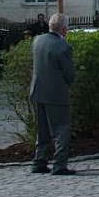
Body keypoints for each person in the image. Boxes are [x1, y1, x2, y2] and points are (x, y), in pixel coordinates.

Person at [29, 13, 76, 175]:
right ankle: (59, 164)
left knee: (42, 130)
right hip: (56, 93)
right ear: (64, 29)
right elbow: (69, 74)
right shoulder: (63, 47)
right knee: (61, 128)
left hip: (37, 91)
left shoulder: (37, 41)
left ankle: (39, 161)